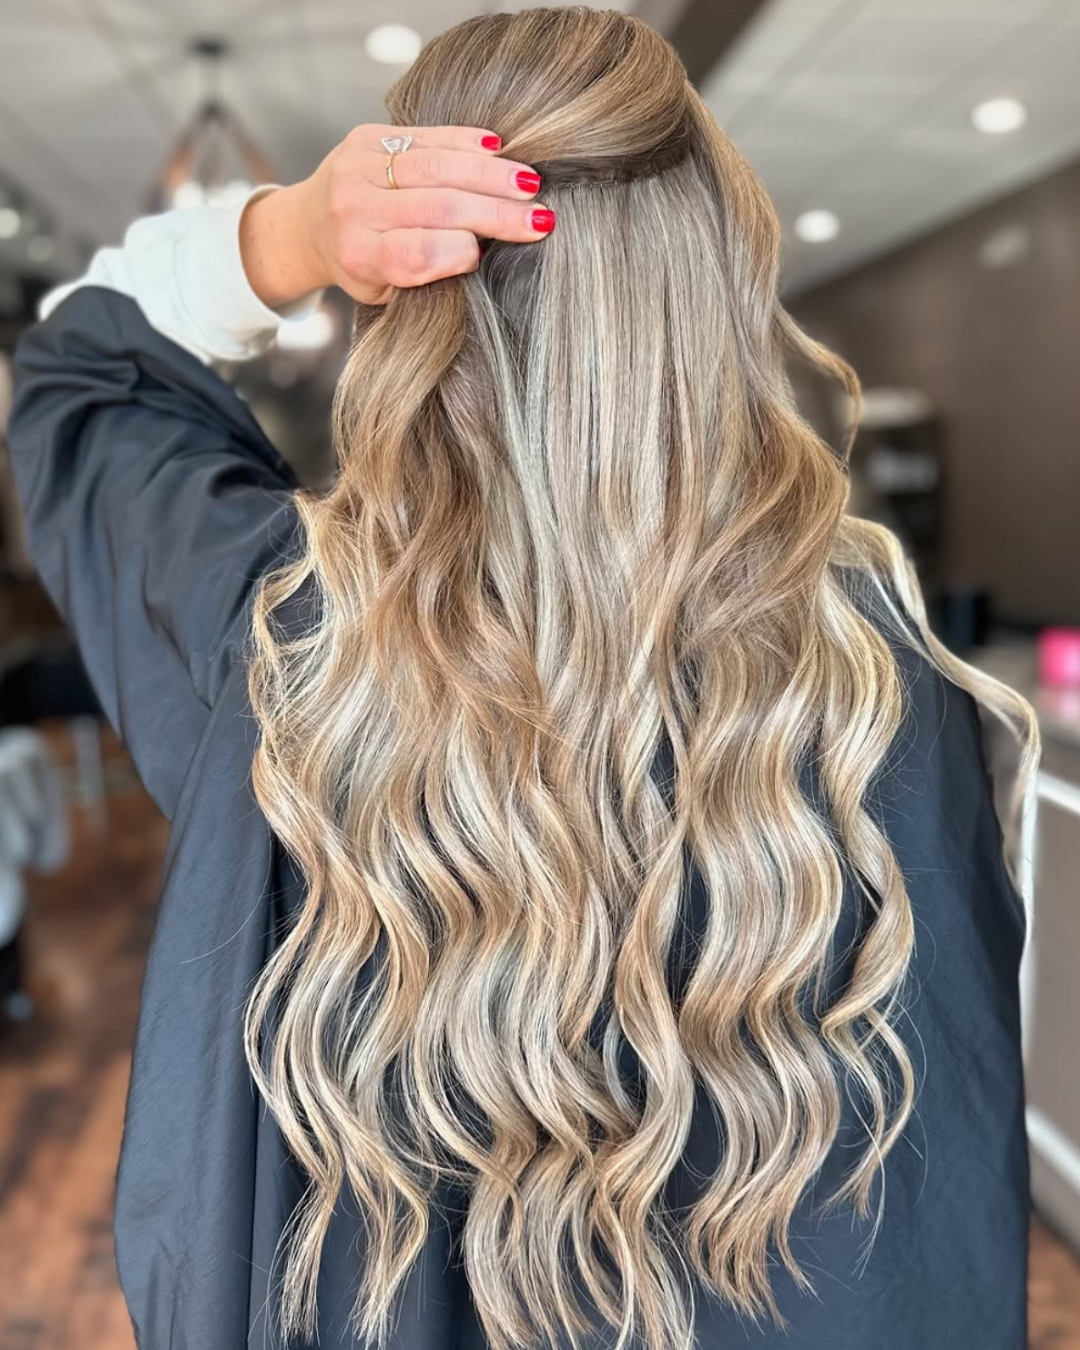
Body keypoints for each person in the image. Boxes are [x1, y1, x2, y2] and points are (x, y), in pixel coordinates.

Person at [6, 8, 1039, 1350]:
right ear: (716, 285)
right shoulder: (870, 691)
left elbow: (81, 372)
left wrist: (294, 232)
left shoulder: (282, 639)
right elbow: (938, 1223)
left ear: (407, 306)